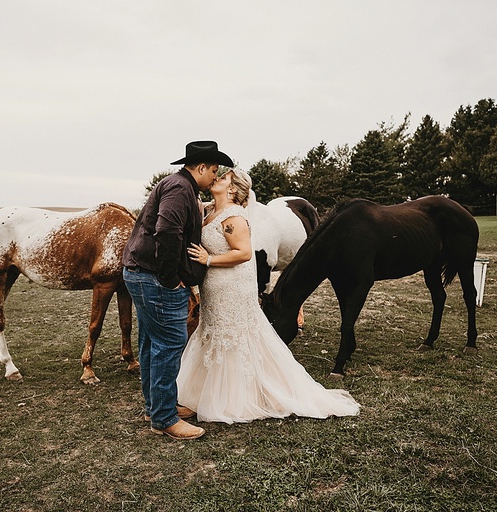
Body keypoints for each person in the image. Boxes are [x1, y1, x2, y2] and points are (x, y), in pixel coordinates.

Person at [180, 168, 361, 423]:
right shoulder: (211, 211)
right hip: (215, 286)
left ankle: (235, 397)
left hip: (231, 285)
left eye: (223, 177)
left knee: (232, 335)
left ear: (232, 189)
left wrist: (208, 259)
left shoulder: (234, 217)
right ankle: (204, 393)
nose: (216, 178)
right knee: (214, 332)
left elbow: (244, 253)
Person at [122, 140, 234, 440]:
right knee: (170, 343)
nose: (214, 176)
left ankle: (157, 407)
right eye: (214, 170)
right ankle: (164, 419)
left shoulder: (179, 186)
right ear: (201, 167)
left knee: (152, 342)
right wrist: (170, 278)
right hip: (154, 278)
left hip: (143, 274)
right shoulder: (179, 188)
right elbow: (167, 232)